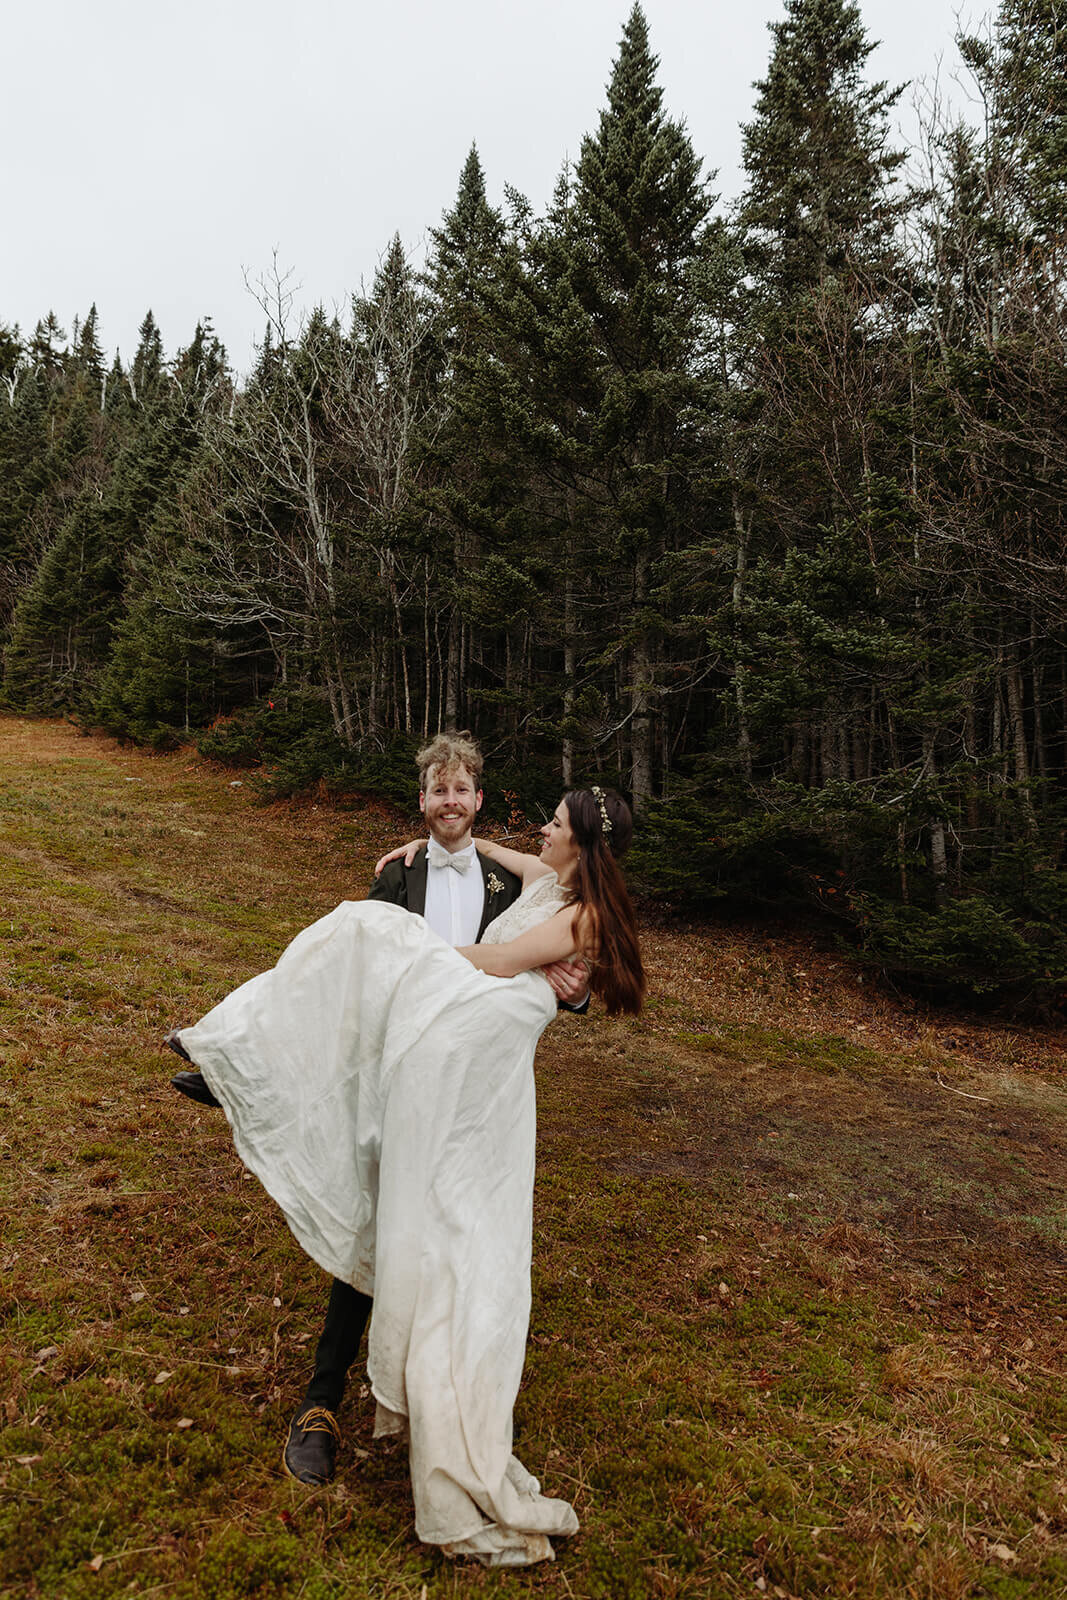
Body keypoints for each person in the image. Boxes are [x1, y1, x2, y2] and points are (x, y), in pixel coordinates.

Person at [168, 759, 644, 1567]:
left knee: (368, 934)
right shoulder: (531, 875)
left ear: (583, 838)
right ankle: (244, 1064)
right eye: (439, 794)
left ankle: (242, 1065)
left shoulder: (579, 912)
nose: (544, 829)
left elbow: (503, 963)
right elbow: (507, 857)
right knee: (362, 932)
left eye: (557, 822)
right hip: (451, 1037)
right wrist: (422, 842)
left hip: (470, 1052)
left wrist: (415, 954)